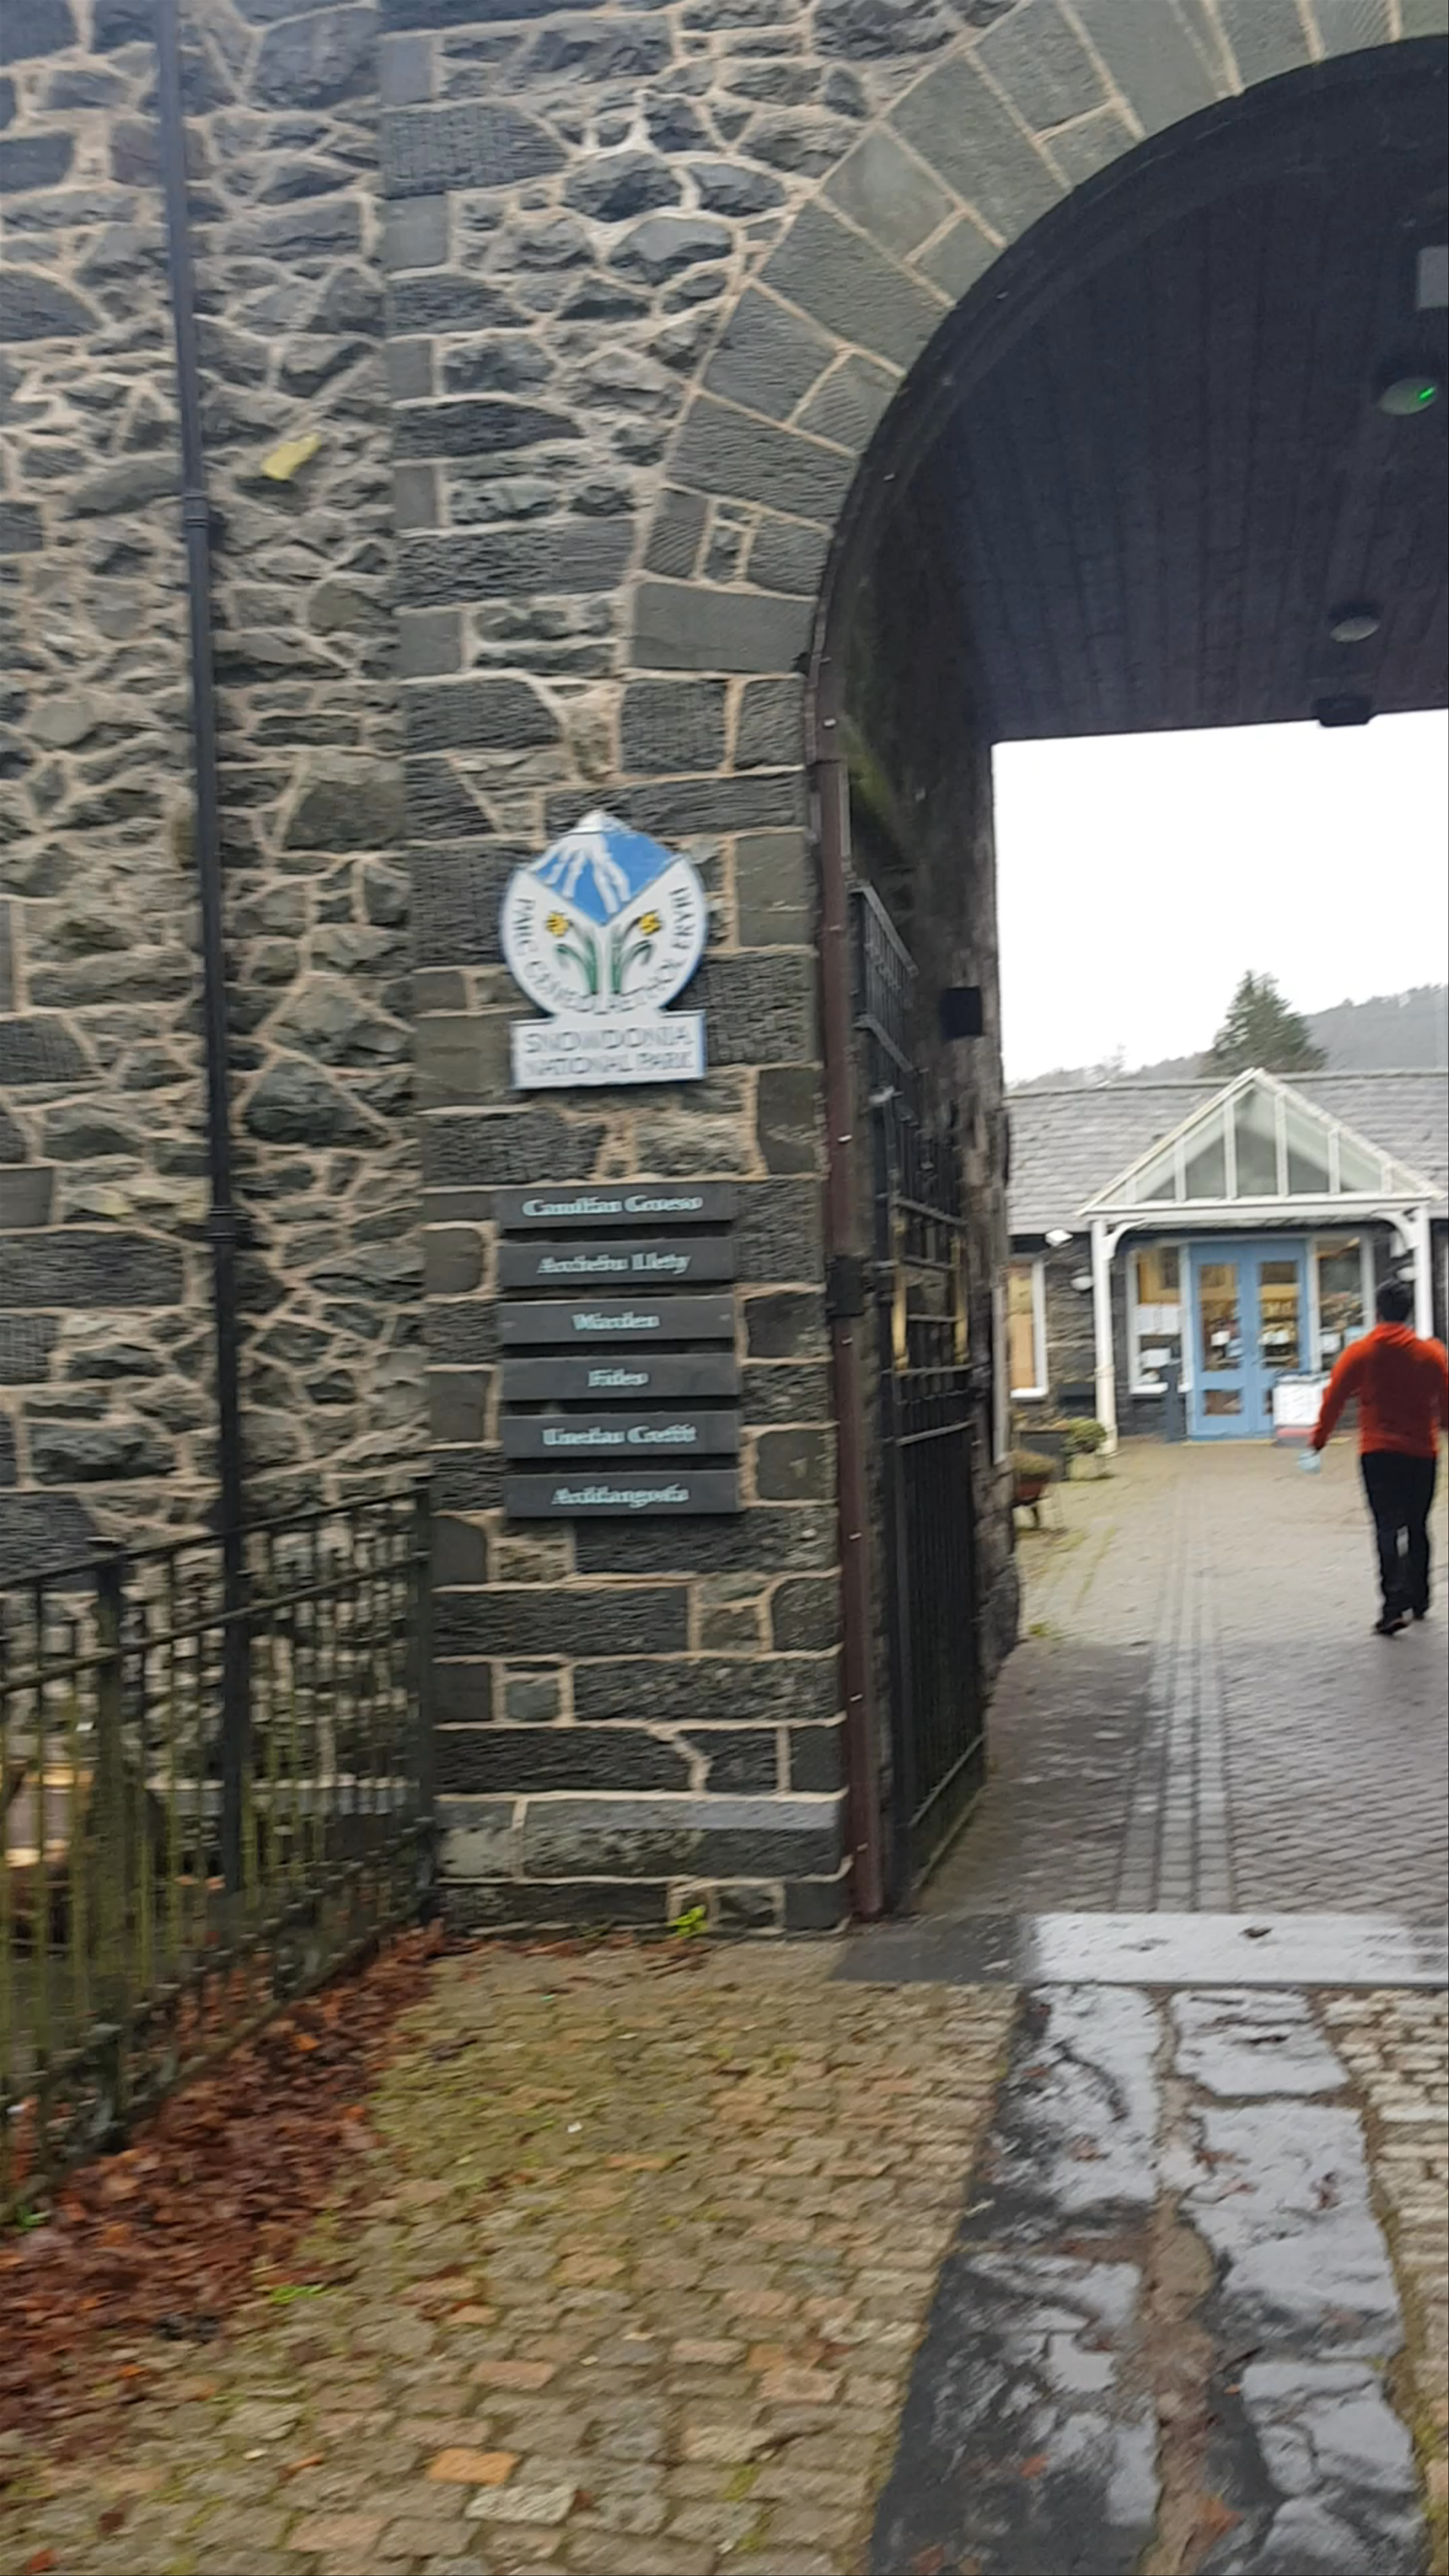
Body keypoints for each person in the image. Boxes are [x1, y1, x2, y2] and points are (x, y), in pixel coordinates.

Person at [1309, 1278, 1449, 1636]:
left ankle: (1392, 1606)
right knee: (1418, 1525)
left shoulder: (1361, 1353)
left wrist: (1320, 1438)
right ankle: (1420, 1598)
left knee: (1386, 1526)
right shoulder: (1431, 1353)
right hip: (1421, 1452)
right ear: (1408, 1313)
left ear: (1378, 1311)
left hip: (1378, 1453)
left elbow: (1335, 1396)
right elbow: (1446, 1397)